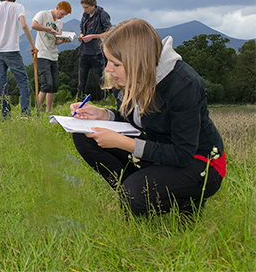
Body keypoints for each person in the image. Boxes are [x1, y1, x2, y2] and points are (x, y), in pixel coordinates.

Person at [70, 18, 225, 216]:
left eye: (115, 63)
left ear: (137, 62)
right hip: (156, 150)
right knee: (84, 135)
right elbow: (137, 120)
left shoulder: (184, 84)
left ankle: (184, 201)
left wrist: (122, 143)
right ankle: (138, 191)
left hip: (199, 162)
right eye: (108, 60)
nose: (108, 68)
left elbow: (182, 153)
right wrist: (104, 114)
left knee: (134, 195)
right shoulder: (128, 77)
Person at [0, 0, 37, 119]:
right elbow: (24, 26)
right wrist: (32, 45)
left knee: (2, 84)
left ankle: (5, 115)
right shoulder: (18, 7)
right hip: (12, 50)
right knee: (23, 82)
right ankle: (25, 114)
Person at [31, 1, 72, 113]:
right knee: (47, 84)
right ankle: (38, 110)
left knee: (54, 85)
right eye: (62, 14)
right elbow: (34, 25)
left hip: (53, 55)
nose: (62, 17)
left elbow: (56, 41)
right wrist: (49, 29)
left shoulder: (59, 23)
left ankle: (48, 111)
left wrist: (63, 40)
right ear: (57, 8)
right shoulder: (43, 14)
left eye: (64, 15)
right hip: (42, 54)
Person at [76, 0, 112, 101]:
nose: (85, 10)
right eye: (83, 7)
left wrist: (93, 36)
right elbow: (82, 30)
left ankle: (106, 100)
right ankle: (79, 101)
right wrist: (82, 36)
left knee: (102, 79)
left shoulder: (102, 15)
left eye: (87, 7)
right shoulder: (85, 15)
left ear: (93, 5)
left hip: (97, 51)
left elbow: (109, 32)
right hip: (84, 51)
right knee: (81, 81)